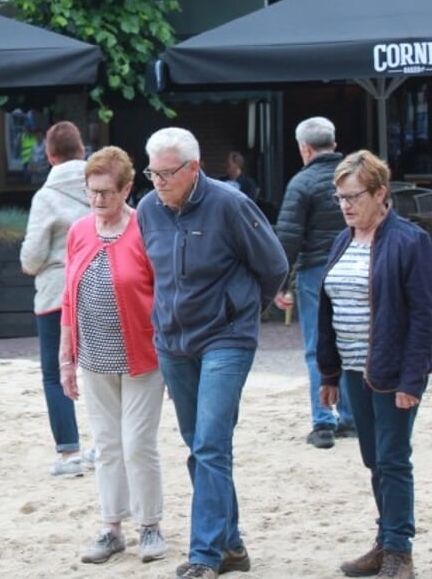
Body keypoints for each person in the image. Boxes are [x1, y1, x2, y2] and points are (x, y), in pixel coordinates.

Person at [136, 128, 288, 579]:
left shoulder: (230, 204)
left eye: (167, 173)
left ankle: (205, 555)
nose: (158, 182)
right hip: (173, 341)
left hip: (226, 338)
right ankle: (232, 545)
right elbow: (155, 270)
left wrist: (242, 312)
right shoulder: (147, 209)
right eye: (152, 172)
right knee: (199, 446)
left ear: (194, 168)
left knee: (210, 444)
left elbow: (275, 265)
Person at [317, 150, 432, 579]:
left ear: (380, 193)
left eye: (353, 197)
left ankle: (399, 551)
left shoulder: (411, 241)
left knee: (392, 458)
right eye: (340, 198)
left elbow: (425, 317)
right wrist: (329, 372)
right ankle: (385, 537)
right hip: (354, 370)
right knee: (374, 458)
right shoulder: (343, 239)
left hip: (394, 371)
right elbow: (327, 310)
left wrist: (412, 378)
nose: (346, 206)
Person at [58, 146, 166, 565]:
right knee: (106, 444)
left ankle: (150, 523)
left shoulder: (145, 229)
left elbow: (162, 293)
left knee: (138, 442)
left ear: (126, 190)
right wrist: (66, 356)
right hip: (94, 355)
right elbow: (69, 297)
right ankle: (111, 526)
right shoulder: (80, 231)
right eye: (92, 192)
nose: (98, 200)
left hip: (142, 353)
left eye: (106, 192)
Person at [272, 117, 356, 449]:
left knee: (316, 349)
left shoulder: (301, 183)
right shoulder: (353, 179)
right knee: (351, 345)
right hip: (356, 267)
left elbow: (288, 239)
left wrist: (279, 284)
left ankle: (323, 422)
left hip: (316, 272)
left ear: (304, 148)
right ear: (334, 145)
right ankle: (352, 419)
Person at [19, 120, 91, 477]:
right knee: (101, 368)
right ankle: (104, 444)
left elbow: (31, 258)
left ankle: (69, 451)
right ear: (82, 150)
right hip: (101, 287)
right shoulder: (100, 187)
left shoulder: (46, 197)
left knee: (55, 372)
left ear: (49, 156)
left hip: (56, 294)